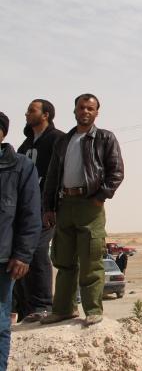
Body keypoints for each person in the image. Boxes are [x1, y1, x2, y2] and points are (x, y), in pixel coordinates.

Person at [41, 94, 124, 327]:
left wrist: (99, 197)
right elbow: (52, 177)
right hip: (65, 204)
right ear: (75, 110)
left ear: (97, 112)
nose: (85, 111)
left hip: (90, 206)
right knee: (64, 260)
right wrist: (48, 207)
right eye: (81, 107)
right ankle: (63, 310)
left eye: (90, 108)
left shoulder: (105, 138)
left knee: (91, 261)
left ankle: (93, 310)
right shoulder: (64, 141)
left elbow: (116, 172)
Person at [15, 99, 64, 323]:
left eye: (32, 110)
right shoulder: (24, 147)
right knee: (21, 253)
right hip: (25, 210)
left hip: (47, 209)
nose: (27, 114)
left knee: (37, 250)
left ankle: (43, 304)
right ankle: (26, 308)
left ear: (46, 114)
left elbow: (61, 174)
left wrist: (53, 205)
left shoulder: (57, 139)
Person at [0, 112, 42, 368]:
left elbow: (30, 214)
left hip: (3, 259)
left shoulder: (21, 166)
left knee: (0, 322)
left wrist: (23, 254)